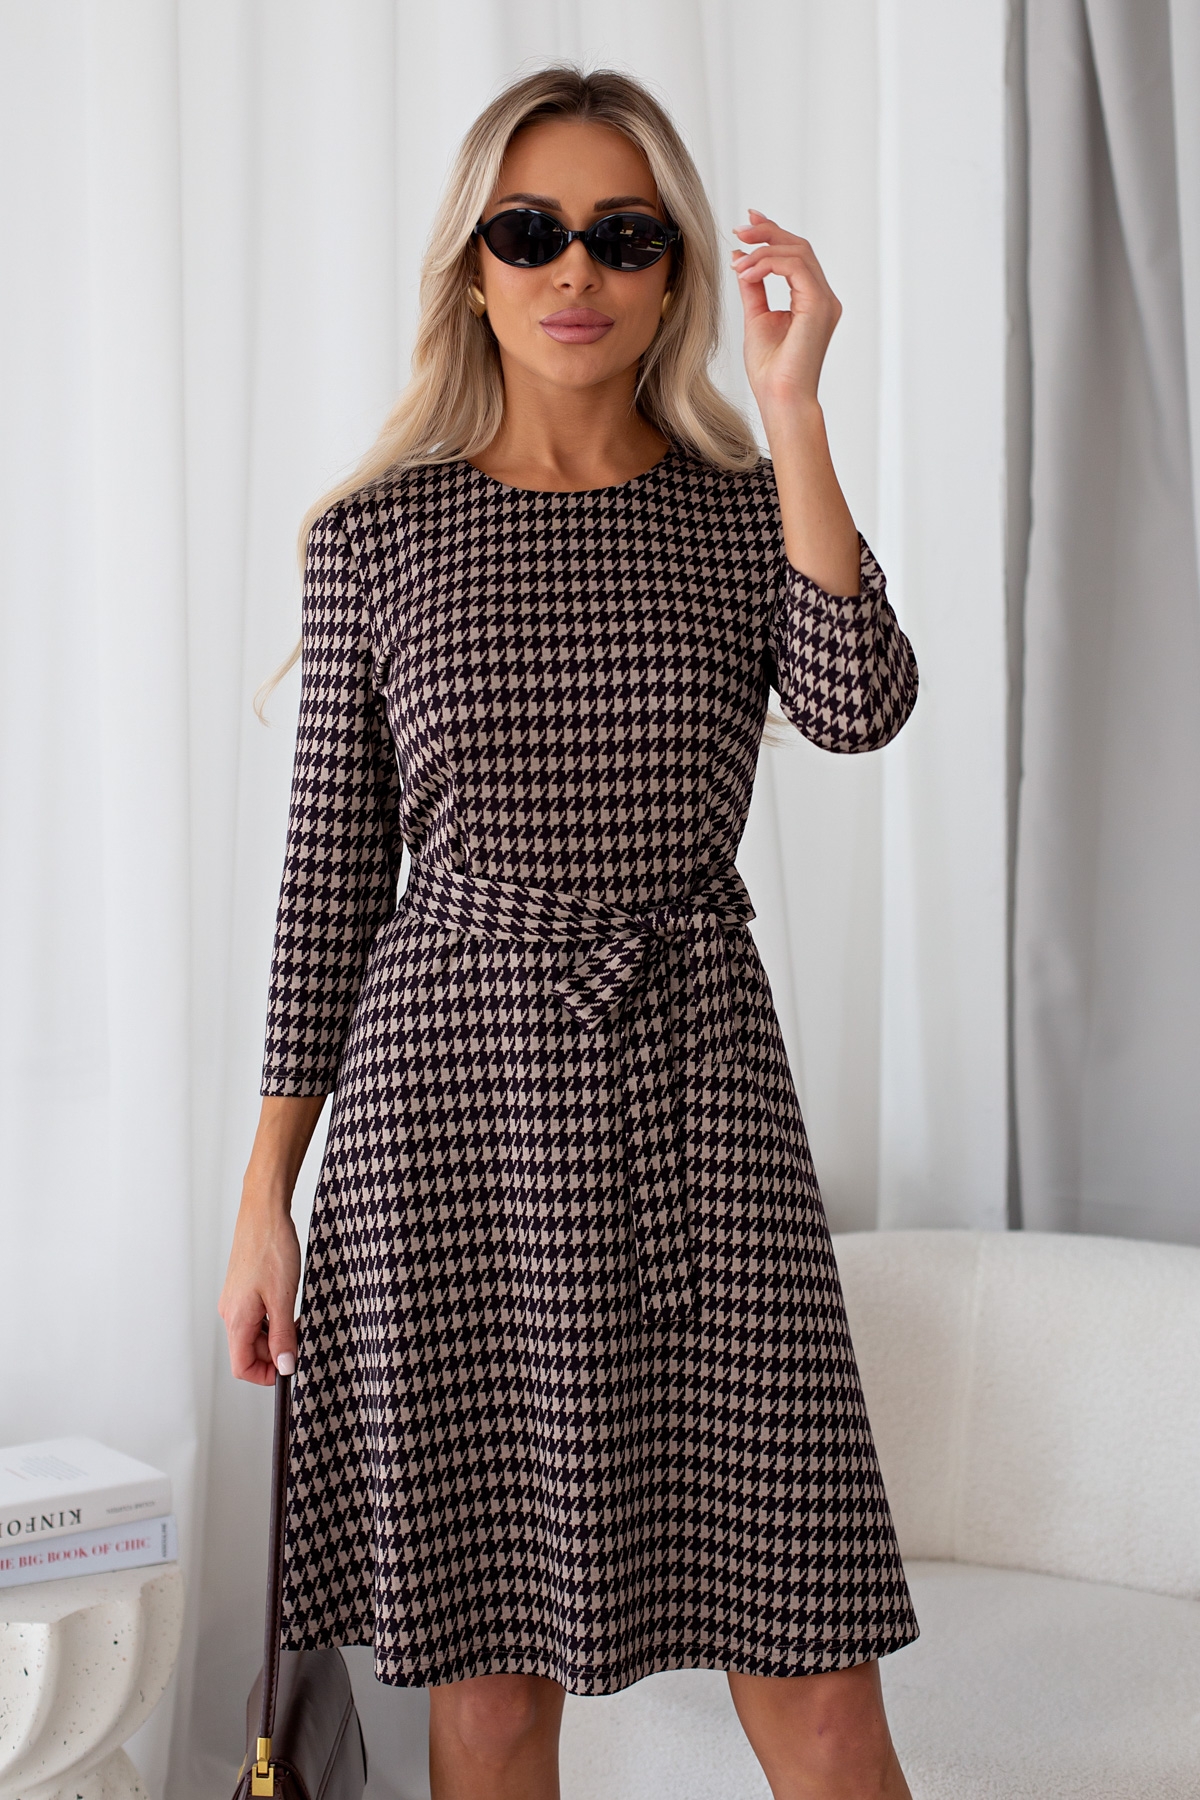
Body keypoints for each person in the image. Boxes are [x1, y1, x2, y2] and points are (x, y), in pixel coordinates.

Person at [220, 64, 919, 1800]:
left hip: (701, 1100)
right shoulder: (376, 537)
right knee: (491, 1701)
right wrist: (262, 1199)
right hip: (448, 1120)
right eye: (528, 232)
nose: (575, 269)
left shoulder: (744, 504)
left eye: (624, 235)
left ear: (677, 273)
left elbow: (859, 703)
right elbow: (329, 889)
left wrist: (795, 406)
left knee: (822, 1690)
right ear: (473, 270)